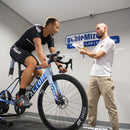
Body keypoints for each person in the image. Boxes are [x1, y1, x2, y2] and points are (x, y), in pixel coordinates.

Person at [10, 17, 67, 108]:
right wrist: (43, 61)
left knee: (39, 72)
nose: (57, 30)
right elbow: (37, 44)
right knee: (32, 63)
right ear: (49, 25)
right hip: (16, 49)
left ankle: (25, 90)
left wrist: (60, 66)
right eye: (56, 27)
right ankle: (21, 95)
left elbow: (53, 53)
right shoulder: (36, 29)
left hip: (26, 53)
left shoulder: (50, 38)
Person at [79, 23, 119, 130]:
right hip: (93, 76)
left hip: (104, 78)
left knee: (110, 107)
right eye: (96, 29)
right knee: (91, 104)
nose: (96, 30)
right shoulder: (99, 44)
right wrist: (82, 48)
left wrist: (85, 52)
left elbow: (97, 55)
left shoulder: (109, 42)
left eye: (98, 28)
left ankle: (115, 128)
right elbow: (92, 53)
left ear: (105, 28)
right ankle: (91, 127)